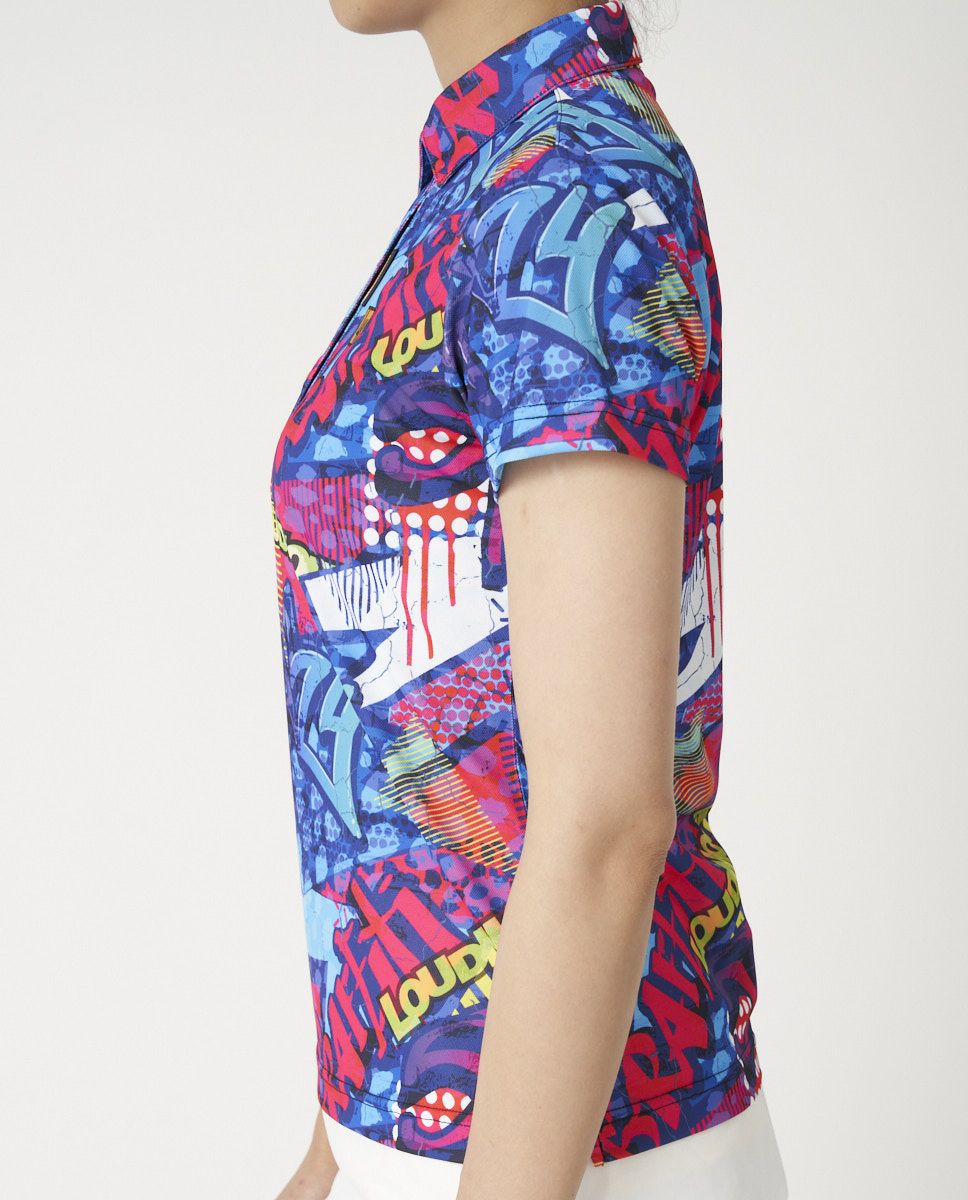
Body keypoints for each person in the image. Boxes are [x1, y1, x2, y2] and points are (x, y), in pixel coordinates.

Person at [269, 3, 789, 1198]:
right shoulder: (497, 169)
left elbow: (605, 820)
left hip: (564, 1159)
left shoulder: (566, 182)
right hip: (448, 1128)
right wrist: (335, 1154)